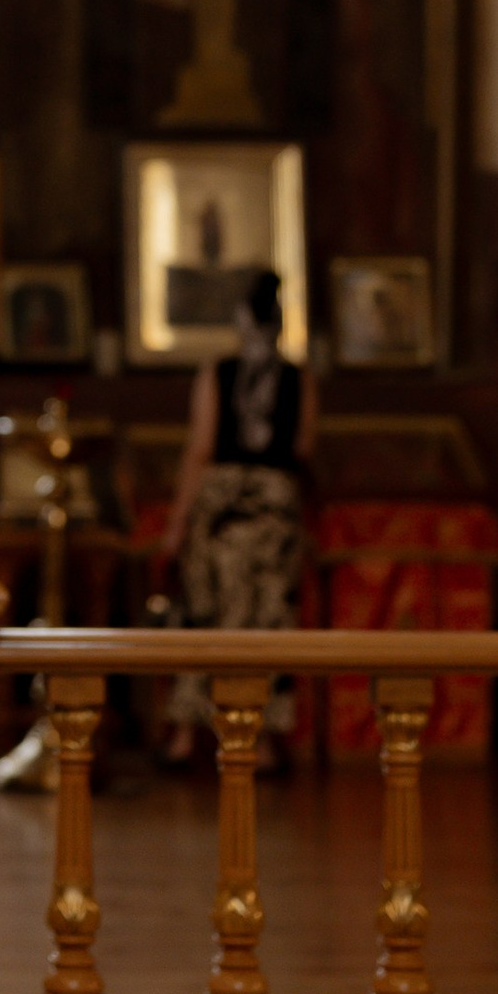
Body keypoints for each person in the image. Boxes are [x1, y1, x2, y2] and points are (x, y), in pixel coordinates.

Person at [157, 266, 316, 762]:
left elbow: (200, 447)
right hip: (275, 509)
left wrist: (177, 523)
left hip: (222, 505)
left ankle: (186, 736)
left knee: (204, 617)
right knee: (268, 621)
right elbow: (303, 445)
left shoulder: (218, 373)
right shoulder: (298, 378)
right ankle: (262, 739)